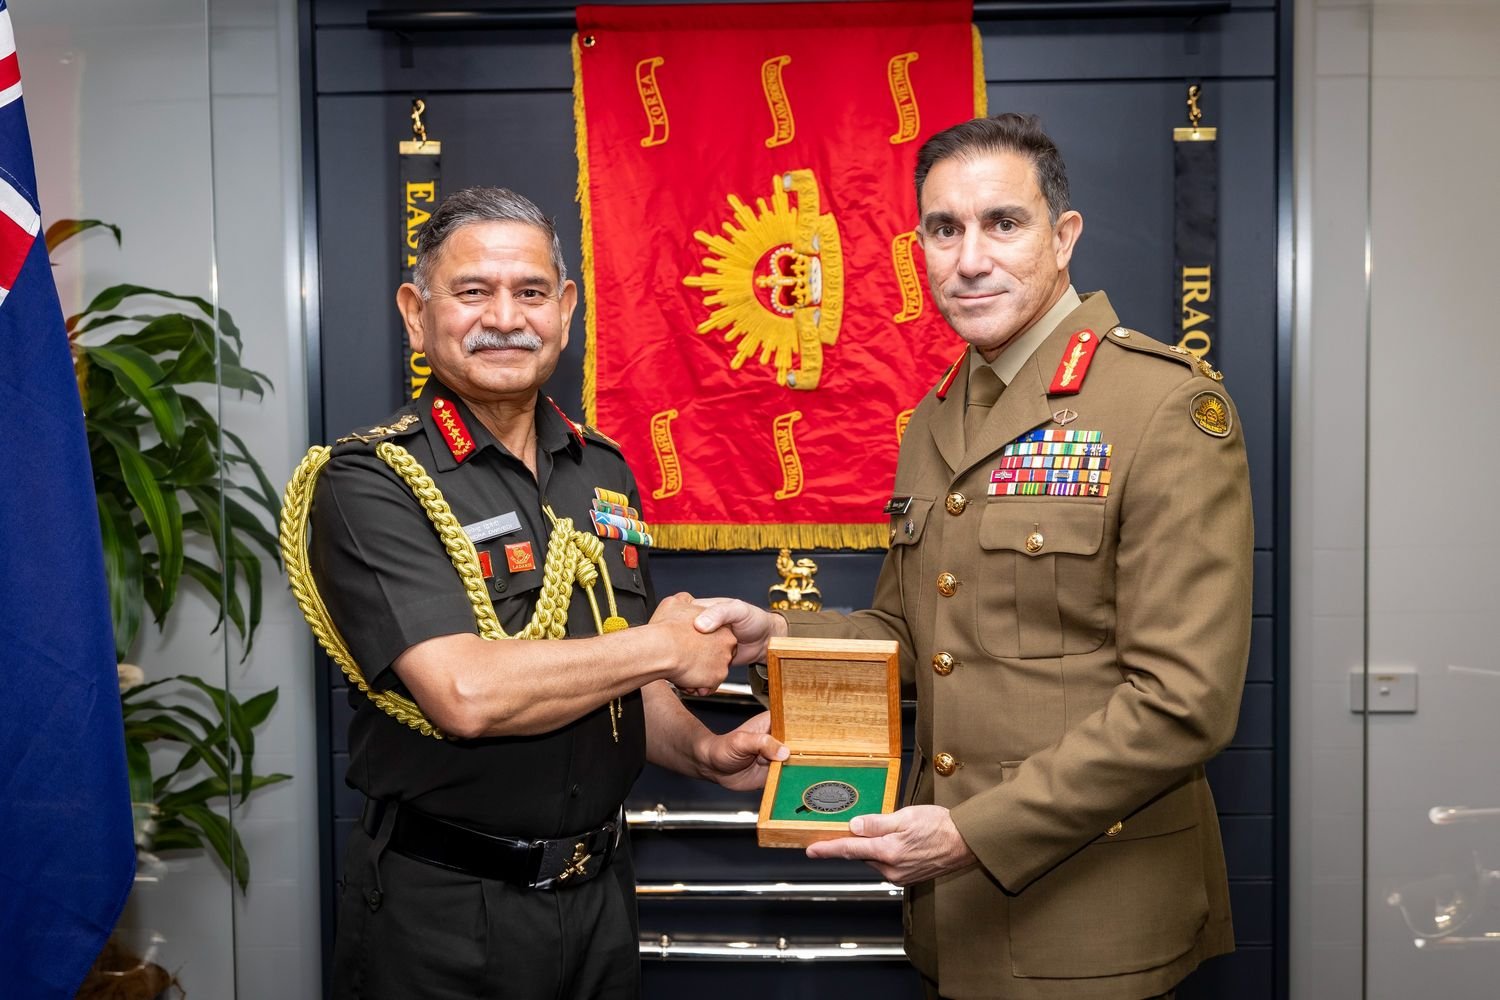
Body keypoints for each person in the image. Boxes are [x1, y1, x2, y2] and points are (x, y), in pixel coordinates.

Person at [693, 114, 1253, 999]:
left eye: (1003, 223)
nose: (971, 257)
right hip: (956, 918)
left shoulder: (1161, 408)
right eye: (944, 229)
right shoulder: (939, 416)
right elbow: (918, 637)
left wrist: (973, 833)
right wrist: (777, 636)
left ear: (1063, 237)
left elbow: (1184, 704)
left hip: (1092, 916)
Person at [291, 186, 786, 1000]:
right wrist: (667, 644)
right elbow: (466, 694)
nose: (505, 318)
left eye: (529, 293)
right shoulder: (370, 481)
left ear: (564, 310)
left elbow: (619, 676)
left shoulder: (605, 469)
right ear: (416, 315)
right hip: (443, 910)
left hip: (600, 898)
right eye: (472, 292)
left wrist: (701, 750)